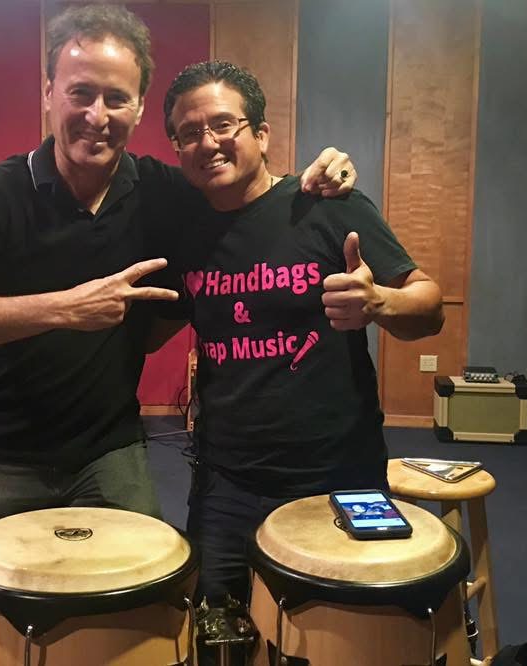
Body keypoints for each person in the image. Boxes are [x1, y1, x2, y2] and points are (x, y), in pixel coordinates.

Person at [0, 5, 357, 534]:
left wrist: (318, 180)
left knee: (153, 583)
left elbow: (250, 196)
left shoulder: (167, 193)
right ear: (48, 93)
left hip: (110, 451)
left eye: (116, 98)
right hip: (1, 455)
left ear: (138, 110)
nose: (97, 115)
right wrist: (67, 309)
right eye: (81, 93)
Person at [159, 60, 444, 612]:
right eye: (188, 133)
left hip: (339, 474)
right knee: (218, 630)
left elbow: (429, 305)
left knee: (340, 635)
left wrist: (381, 303)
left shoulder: (326, 207)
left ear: (262, 134)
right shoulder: (185, 232)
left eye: (223, 125)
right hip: (226, 482)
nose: (207, 142)